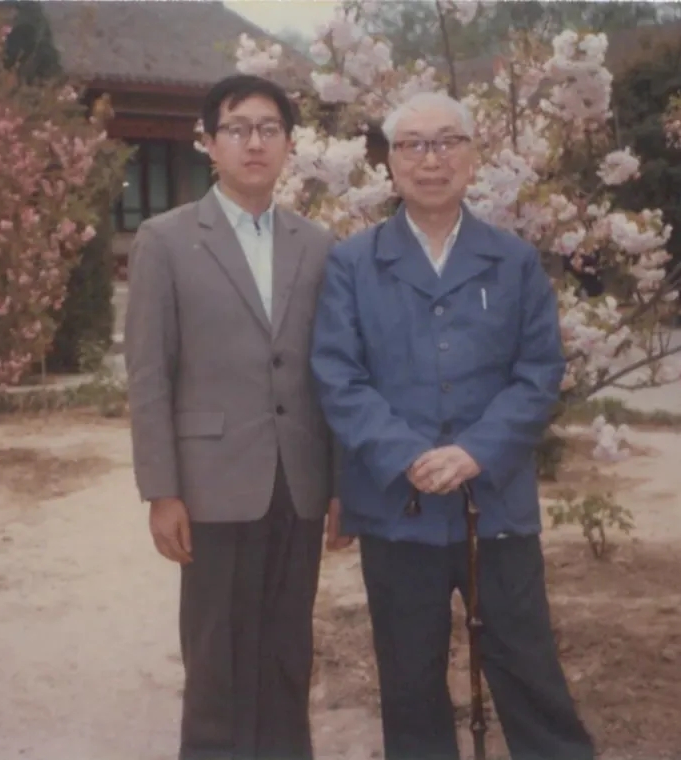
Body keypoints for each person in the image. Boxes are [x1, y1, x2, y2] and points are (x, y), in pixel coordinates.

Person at [309, 91, 596, 760]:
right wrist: (406, 455)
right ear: (390, 163)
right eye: (412, 145)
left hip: (494, 502)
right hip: (396, 506)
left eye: (446, 142)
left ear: (471, 157)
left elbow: (539, 371)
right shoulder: (354, 263)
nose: (430, 160)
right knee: (409, 679)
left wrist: (475, 451)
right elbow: (338, 376)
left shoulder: (513, 260)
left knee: (527, 665)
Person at [124, 74, 351, 760]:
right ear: (209, 143)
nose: (255, 143)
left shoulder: (317, 244)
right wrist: (162, 491)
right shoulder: (165, 240)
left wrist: (341, 483)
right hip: (211, 484)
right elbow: (149, 374)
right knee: (216, 661)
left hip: (299, 482)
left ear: (288, 145)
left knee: (287, 653)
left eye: (269, 129)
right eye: (237, 129)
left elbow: (333, 372)